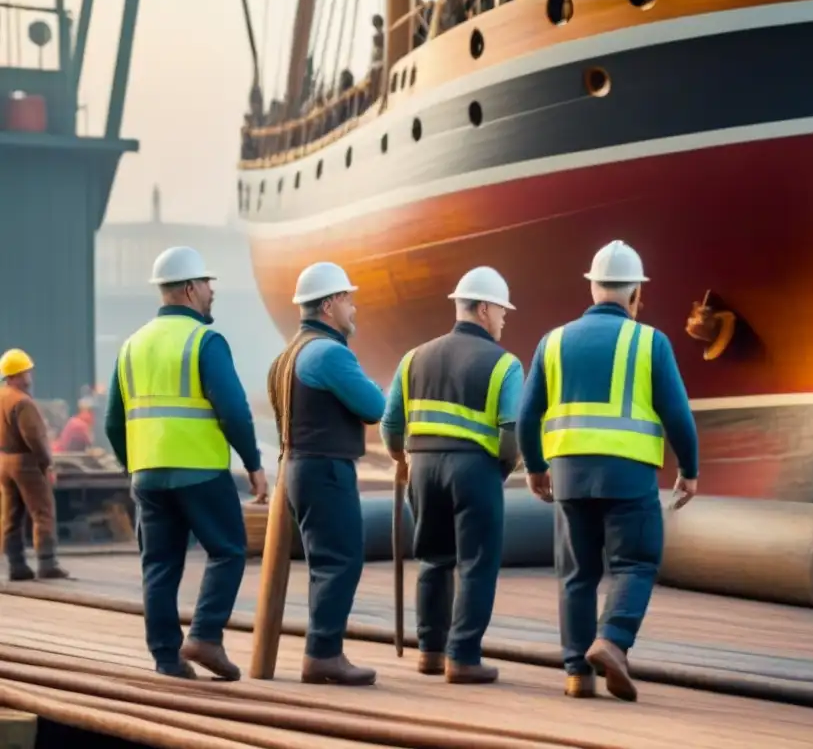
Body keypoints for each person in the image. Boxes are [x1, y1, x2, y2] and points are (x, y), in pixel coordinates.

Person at [517, 240, 700, 702]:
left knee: (577, 574)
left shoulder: (552, 341)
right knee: (635, 563)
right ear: (636, 293)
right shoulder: (649, 341)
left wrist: (536, 468)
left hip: (571, 479)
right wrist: (690, 469)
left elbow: (526, 415)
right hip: (629, 476)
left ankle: (577, 674)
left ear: (594, 287)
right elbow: (677, 414)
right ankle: (613, 640)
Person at [104, 246, 267, 680]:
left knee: (159, 565)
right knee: (229, 550)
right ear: (191, 288)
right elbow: (233, 409)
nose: (213, 292)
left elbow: (112, 422)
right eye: (208, 284)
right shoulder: (204, 341)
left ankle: (167, 657)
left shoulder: (131, 346)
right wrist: (253, 463)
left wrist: (133, 465)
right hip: (199, 471)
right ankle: (206, 636)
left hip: (148, 476)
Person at [380, 266, 522, 684]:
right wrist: (499, 470)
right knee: (477, 563)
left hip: (422, 466)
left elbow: (390, 424)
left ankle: (430, 651)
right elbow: (512, 433)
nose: (503, 319)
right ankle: (463, 657)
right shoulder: (505, 365)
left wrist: (402, 461)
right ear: (481, 309)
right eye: (500, 310)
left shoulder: (413, 358)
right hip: (475, 469)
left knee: (433, 560)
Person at [267, 261, 385, 686]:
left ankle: (323, 651)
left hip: (297, 467)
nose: (353, 308)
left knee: (323, 562)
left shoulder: (288, 355)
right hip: (326, 470)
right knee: (341, 561)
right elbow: (374, 407)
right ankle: (323, 654)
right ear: (331, 303)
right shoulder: (330, 353)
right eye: (348, 299)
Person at [0, 348, 69, 581]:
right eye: (27, 372)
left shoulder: (1, 396)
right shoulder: (22, 402)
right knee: (43, 511)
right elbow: (35, 437)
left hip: (4, 462)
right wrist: (45, 464)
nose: (30, 377)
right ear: (18, 374)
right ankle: (47, 564)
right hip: (26, 463)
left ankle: (16, 565)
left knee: (10, 514)